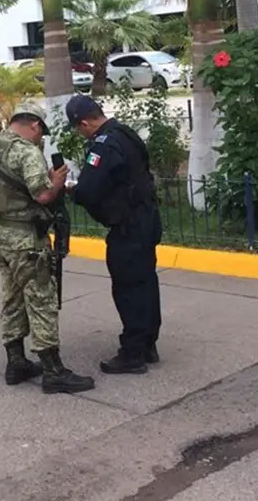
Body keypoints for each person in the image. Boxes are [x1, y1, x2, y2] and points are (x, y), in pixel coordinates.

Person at [0, 102, 96, 394]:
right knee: (42, 298)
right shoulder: (26, 152)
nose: (40, 138)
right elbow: (42, 195)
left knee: (13, 295)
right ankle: (54, 371)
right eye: (41, 132)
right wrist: (56, 181)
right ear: (34, 125)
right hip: (25, 238)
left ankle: (16, 362)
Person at [64, 94, 163, 374]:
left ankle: (132, 353)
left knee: (128, 287)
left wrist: (72, 190)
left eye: (78, 129)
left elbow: (88, 190)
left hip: (127, 226)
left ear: (84, 123)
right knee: (146, 282)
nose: (81, 134)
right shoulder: (126, 133)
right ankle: (147, 344)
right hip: (146, 218)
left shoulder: (104, 145)